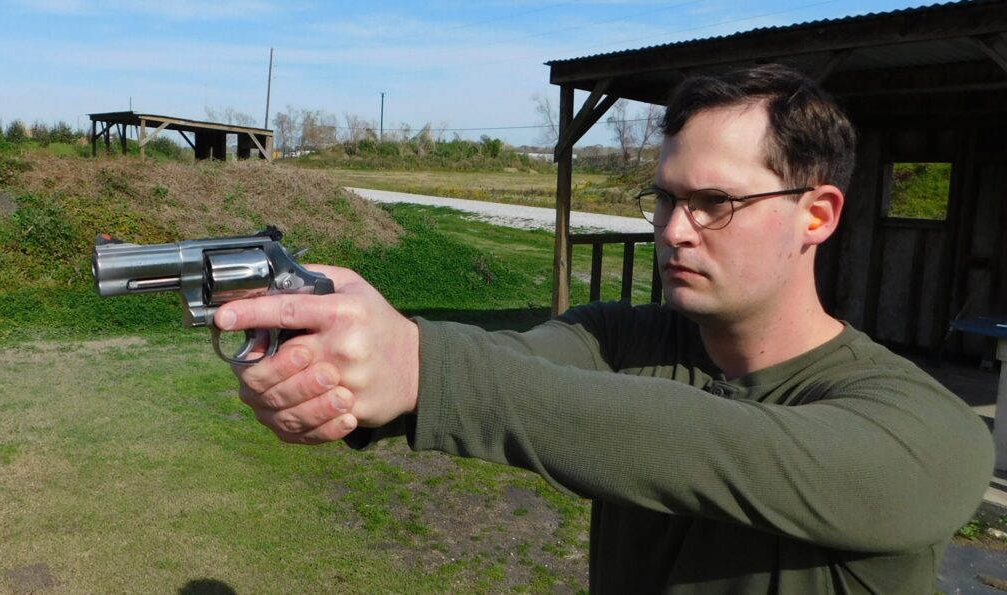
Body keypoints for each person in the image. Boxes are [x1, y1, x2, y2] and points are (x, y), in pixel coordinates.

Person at [213, 65, 994, 593]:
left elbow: (713, 446)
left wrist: (422, 364)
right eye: (664, 199)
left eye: (715, 203)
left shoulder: (928, 434)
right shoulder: (615, 340)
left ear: (816, 214)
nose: (675, 231)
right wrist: (350, 373)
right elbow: (506, 367)